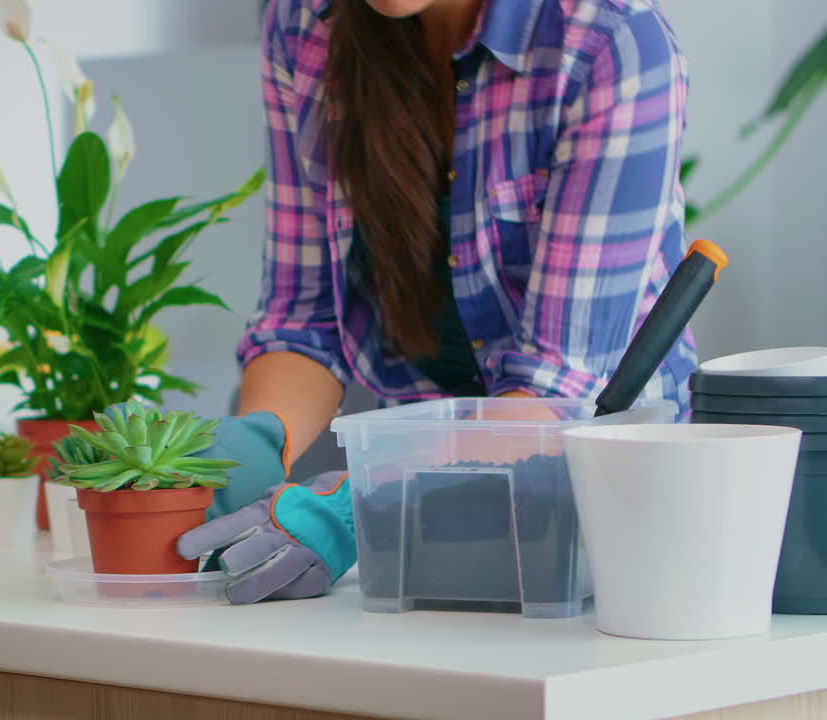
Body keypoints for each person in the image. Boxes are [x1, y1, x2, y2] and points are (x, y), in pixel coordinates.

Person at [179, 0, 695, 604]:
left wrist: (363, 501)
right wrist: (255, 444)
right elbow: (304, 319)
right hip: (418, 533)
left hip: (603, 522)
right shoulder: (305, 22)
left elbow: (556, 393)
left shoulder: (612, 41)